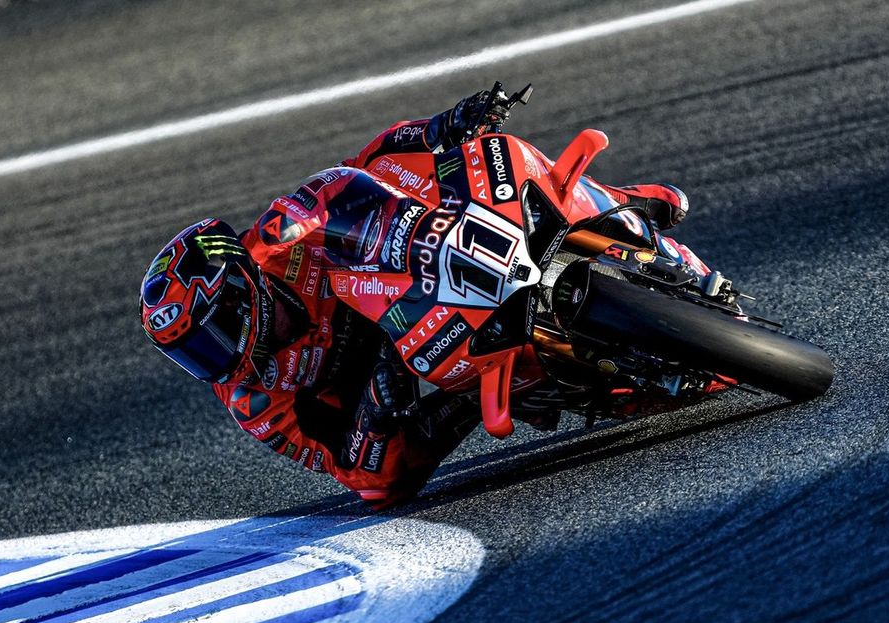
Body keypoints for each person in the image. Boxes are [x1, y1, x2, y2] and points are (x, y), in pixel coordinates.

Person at [139, 90, 692, 509]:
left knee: (465, 159)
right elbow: (360, 477)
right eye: (196, 355)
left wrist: (442, 128)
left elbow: (362, 166)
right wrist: (376, 413)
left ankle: (614, 203)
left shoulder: (279, 235)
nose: (217, 360)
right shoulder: (255, 402)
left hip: (416, 261)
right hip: (403, 363)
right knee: (384, 480)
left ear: (240, 285)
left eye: (213, 333)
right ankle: (508, 383)